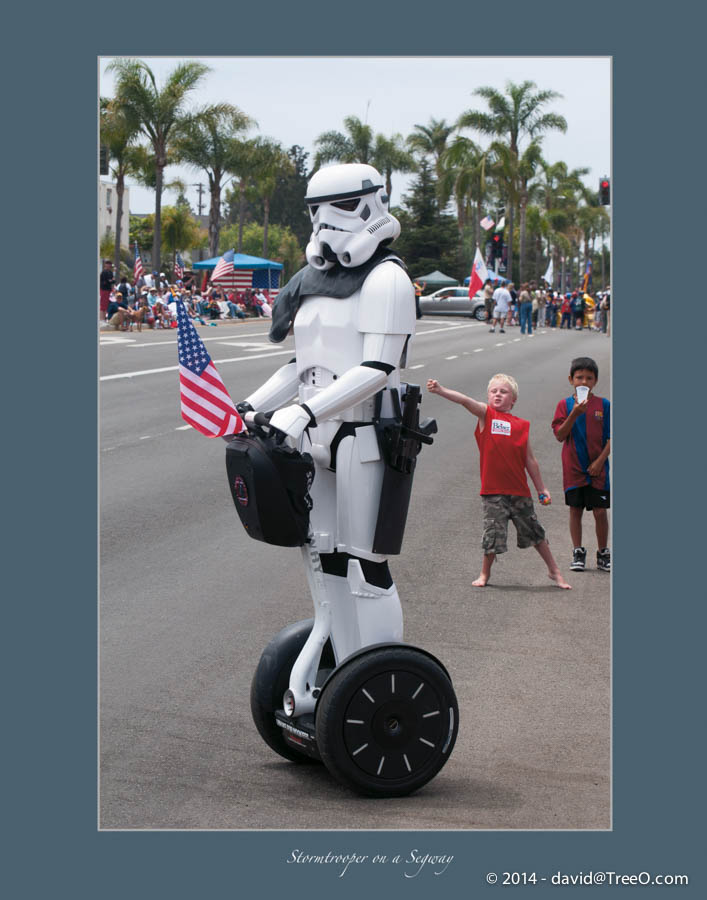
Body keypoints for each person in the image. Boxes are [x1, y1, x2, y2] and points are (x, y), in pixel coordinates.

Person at [426, 374, 571, 589]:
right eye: (494, 391)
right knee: (493, 535)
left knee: (535, 532)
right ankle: (485, 574)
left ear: (513, 400)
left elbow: (530, 460)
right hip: (493, 492)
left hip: (519, 491)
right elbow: (465, 400)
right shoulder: (487, 415)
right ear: (487, 396)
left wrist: (542, 489)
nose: (498, 395)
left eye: (503, 392)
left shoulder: (521, 426)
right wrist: (441, 390)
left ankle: (554, 571)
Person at [551, 356, 611, 572]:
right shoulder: (564, 405)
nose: (584, 382)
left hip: (598, 470)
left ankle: (603, 552)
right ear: (571, 379)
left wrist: (600, 461)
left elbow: (611, 436)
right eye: (579, 378)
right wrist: (574, 413)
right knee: (575, 510)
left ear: (595, 381)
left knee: (600, 511)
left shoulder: (604, 405)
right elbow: (560, 435)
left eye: (589, 378)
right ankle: (578, 551)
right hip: (574, 469)